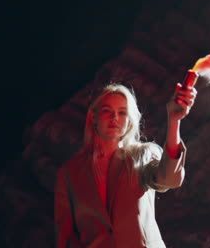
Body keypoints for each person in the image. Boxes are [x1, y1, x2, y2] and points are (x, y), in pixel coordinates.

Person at [54, 82, 197, 247]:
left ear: (129, 121)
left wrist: (174, 121)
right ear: (93, 117)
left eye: (122, 112)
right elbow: (65, 235)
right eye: (107, 111)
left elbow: (170, 179)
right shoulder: (69, 173)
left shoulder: (142, 155)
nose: (114, 118)